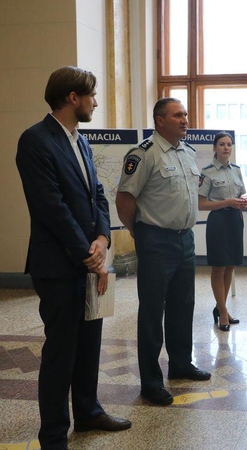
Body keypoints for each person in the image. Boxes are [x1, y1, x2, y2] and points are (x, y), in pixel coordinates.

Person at [15, 66, 131, 449]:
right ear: (72, 98)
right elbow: (52, 207)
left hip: (87, 258)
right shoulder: (35, 140)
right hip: (58, 266)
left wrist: (102, 237)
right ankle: (52, 435)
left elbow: (96, 193)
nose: (95, 102)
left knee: (89, 344)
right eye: (92, 96)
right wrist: (89, 253)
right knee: (61, 352)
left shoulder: (78, 140)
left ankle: (88, 412)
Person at [116, 98, 210, 407]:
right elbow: (125, 200)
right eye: (177, 115)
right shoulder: (144, 155)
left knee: (184, 306)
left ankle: (181, 364)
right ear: (160, 121)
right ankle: (151, 382)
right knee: (153, 312)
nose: (185, 119)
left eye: (185, 114)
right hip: (155, 241)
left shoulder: (187, 152)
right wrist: (138, 232)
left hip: (185, 240)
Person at [198, 132, 247, 331]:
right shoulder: (207, 171)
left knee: (230, 266)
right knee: (218, 267)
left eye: (229, 144)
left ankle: (221, 308)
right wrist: (226, 202)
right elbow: (202, 205)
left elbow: (240, 195)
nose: (226, 148)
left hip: (235, 220)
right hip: (218, 221)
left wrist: (241, 204)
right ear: (215, 148)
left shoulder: (236, 170)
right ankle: (223, 312)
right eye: (221, 144)